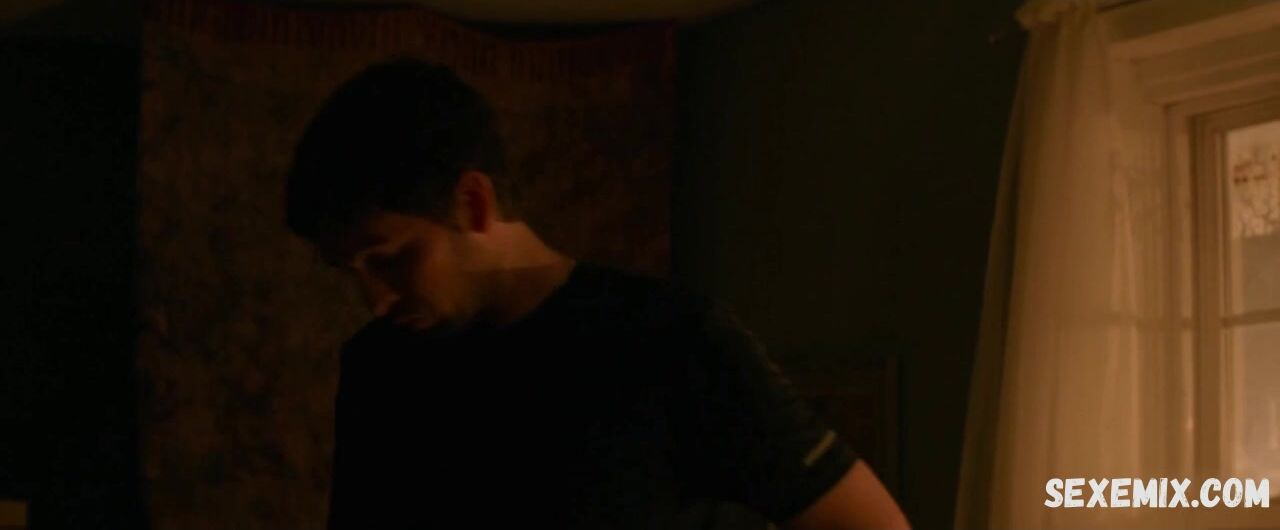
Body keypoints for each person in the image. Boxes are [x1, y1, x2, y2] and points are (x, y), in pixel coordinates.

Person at [285, 58, 910, 530]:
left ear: (473, 203)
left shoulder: (671, 341)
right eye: (350, 270)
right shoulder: (378, 365)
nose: (375, 299)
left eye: (389, 258)